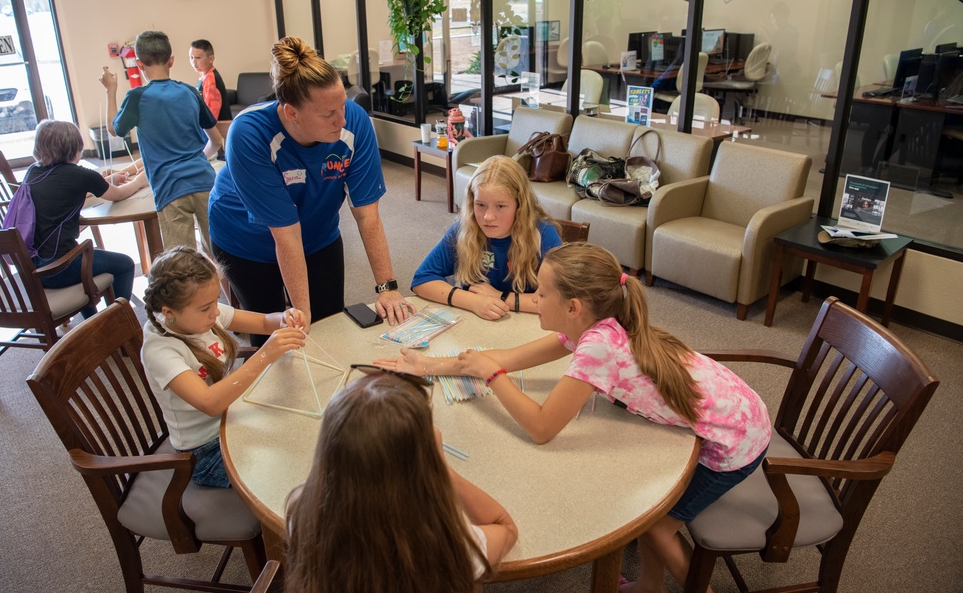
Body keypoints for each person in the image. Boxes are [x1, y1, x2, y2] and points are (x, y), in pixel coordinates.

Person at [375, 242, 772, 593]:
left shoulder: (598, 348)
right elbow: (505, 358)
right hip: (741, 411)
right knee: (649, 517)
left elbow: (542, 427)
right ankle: (650, 585)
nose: (534, 298)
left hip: (735, 442)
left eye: (541, 293)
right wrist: (428, 364)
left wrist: (491, 377)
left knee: (656, 527)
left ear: (572, 307)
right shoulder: (593, 325)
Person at [208, 36, 414, 343]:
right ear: (292, 113)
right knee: (276, 334)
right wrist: (301, 319)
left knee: (329, 326)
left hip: (317, 233)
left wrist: (388, 288)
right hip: (246, 240)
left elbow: (367, 215)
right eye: (328, 114)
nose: (341, 120)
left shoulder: (354, 123)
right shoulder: (249, 133)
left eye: (342, 106)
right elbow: (286, 235)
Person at [284, 367, 518, 593]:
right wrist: (442, 467)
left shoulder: (301, 510)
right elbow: (505, 527)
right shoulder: (451, 544)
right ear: (419, 463)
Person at [141, 246, 306, 488]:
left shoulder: (202, 314)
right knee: (288, 470)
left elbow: (262, 321)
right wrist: (264, 356)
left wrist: (283, 318)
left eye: (215, 301)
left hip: (233, 419)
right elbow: (210, 403)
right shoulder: (160, 350)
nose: (216, 312)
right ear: (169, 313)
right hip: (205, 452)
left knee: (301, 431)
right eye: (206, 308)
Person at [100, 30, 224, 253]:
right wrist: (195, 160)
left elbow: (113, 129)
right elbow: (216, 141)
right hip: (205, 182)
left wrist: (111, 90)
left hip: (170, 189)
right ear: (172, 60)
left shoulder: (137, 97)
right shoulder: (189, 91)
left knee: (182, 266)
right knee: (220, 255)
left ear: (139, 64)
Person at [412, 155, 562, 320]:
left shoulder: (544, 234)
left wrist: (502, 297)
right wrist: (472, 301)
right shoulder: (465, 228)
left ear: (520, 206)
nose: (488, 217)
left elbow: (560, 299)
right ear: (471, 202)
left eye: (500, 206)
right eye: (480, 205)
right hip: (477, 323)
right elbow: (422, 280)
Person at [26, 119, 148, 319]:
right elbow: (119, 195)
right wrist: (140, 181)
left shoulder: (33, 172)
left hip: (35, 268)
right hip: (62, 267)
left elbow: (62, 192)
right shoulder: (79, 174)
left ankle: (92, 322)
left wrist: (106, 181)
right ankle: (119, 321)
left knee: (83, 256)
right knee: (124, 264)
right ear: (75, 148)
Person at [189, 38, 233, 152]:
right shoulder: (204, 77)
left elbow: (211, 114)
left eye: (198, 57)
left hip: (215, 134)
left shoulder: (210, 79)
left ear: (211, 59)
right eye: (191, 57)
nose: (194, 62)